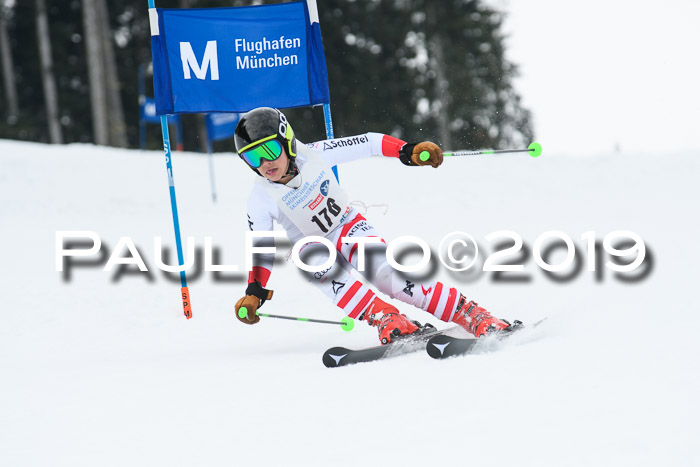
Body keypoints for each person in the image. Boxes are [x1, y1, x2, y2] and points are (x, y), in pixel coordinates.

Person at [234, 107, 516, 344]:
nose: (264, 163)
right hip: (313, 246)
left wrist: (407, 151)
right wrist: (255, 291)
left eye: (269, 149)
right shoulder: (260, 199)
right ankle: (386, 317)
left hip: (346, 226)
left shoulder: (316, 154)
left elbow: (368, 142)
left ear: (287, 141)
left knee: (389, 277)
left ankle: (471, 314)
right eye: (252, 157)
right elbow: (261, 250)